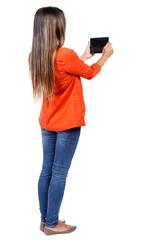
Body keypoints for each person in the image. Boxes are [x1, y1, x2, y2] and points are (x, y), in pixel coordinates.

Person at [28, 6, 113, 236]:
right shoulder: (64, 55)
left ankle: (46, 219)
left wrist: (84, 56)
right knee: (59, 172)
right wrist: (105, 56)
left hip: (47, 122)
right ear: (56, 27)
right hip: (67, 124)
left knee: (47, 170)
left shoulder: (37, 55)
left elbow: (70, 68)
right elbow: (89, 72)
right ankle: (53, 224)